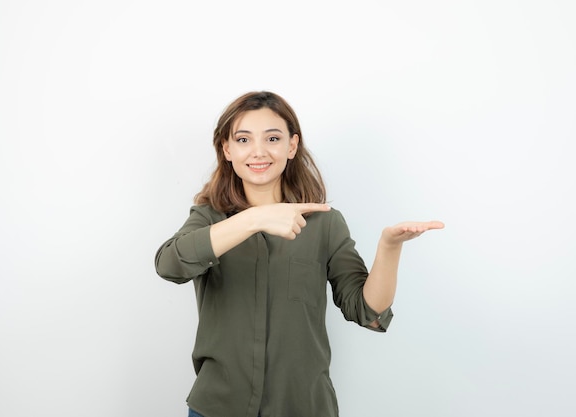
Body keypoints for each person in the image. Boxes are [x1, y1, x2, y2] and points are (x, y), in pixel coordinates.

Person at [154, 91, 444, 417]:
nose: (259, 151)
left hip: (304, 407)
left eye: (273, 138)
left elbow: (366, 309)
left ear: (291, 146)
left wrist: (390, 248)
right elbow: (169, 264)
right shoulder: (209, 218)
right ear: (227, 149)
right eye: (244, 139)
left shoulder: (325, 224)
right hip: (218, 407)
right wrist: (255, 218)